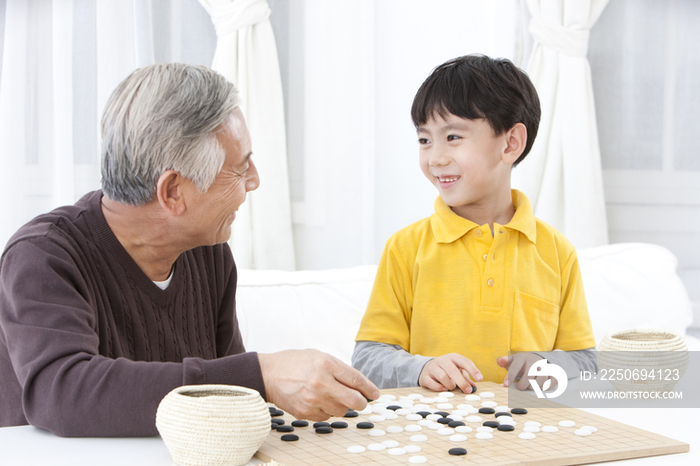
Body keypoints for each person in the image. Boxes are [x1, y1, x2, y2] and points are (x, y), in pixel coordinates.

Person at [0, 63, 379, 437]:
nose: (255, 180)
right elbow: (63, 393)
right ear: (173, 192)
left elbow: (224, 397)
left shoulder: (207, 250)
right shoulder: (42, 257)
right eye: (239, 167)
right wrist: (260, 374)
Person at [352, 55, 597, 394]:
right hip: (431, 434)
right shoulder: (405, 248)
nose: (435, 158)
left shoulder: (557, 252)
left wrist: (547, 367)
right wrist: (421, 368)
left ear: (510, 143)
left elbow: (584, 360)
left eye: (453, 137)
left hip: (526, 434)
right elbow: (367, 359)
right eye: (424, 140)